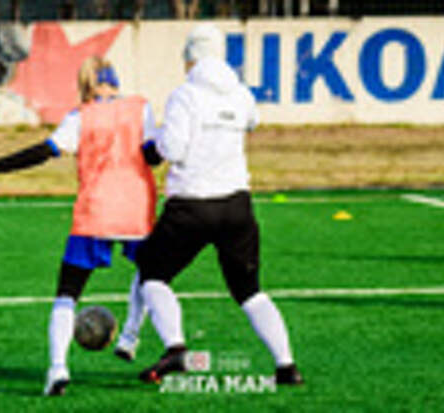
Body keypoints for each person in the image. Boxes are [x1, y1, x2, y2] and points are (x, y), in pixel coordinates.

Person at [0, 56, 156, 395]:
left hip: (95, 211)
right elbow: (155, 153)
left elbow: (44, 152)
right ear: (115, 81)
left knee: (67, 293)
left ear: (85, 85)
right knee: (150, 275)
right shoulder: (140, 108)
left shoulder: (80, 117)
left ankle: (57, 368)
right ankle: (130, 336)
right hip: (136, 210)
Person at [136, 23, 303, 385]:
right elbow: (253, 121)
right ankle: (286, 365)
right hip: (236, 206)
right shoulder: (240, 93)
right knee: (249, 291)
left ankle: (175, 347)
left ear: (190, 57)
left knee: (152, 273)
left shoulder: (185, 95)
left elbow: (172, 149)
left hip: (191, 205)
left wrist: (151, 148)